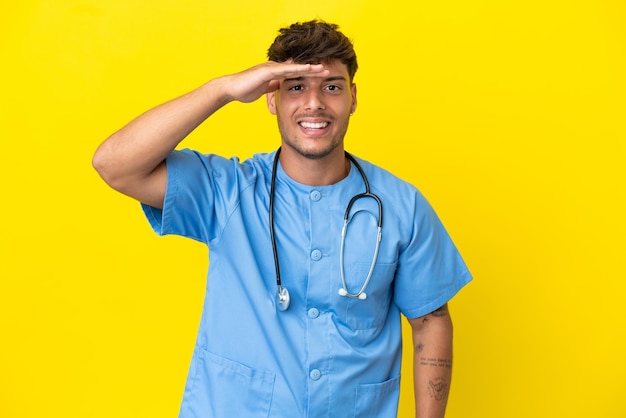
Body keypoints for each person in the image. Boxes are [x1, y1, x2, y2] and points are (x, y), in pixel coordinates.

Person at [93, 19, 472, 418]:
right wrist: (221, 89)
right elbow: (115, 164)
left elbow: (431, 320)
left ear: (353, 97)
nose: (314, 104)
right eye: (295, 87)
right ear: (271, 99)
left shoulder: (401, 205)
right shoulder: (227, 191)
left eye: (331, 87)